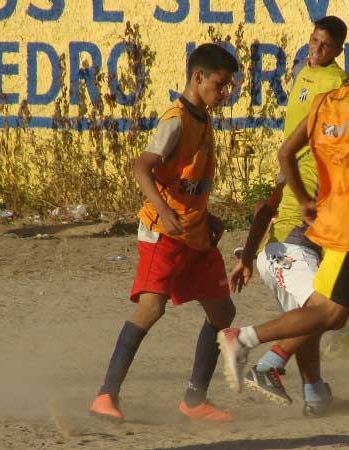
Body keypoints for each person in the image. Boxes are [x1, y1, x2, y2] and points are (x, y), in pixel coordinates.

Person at [219, 38, 349, 414]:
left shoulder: (324, 102)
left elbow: (285, 154)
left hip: (332, 220)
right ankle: (246, 341)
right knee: (331, 314)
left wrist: (304, 199)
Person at [89, 44, 239, 423]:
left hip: (196, 233)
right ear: (198, 77)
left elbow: (184, 179)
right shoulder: (176, 120)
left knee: (223, 310)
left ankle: (194, 400)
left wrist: (208, 213)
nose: (225, 93)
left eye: (228, 86)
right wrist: (164, 210)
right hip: (164, 234)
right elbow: (143, 167)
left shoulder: (203, 118)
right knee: (151, 308)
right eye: (220, 85)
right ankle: (106, 395)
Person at [227, 16, 349, 416]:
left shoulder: (339, 85)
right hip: (285, 246)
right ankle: (267, 362)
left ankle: (315, 395)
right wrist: (247, 255)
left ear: (337, 50)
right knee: (323, 314)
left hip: (302, 238)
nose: (316, 48)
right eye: (313, 40)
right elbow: (268, 202)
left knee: (310, 317)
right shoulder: (303, 75)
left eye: (325, 44)